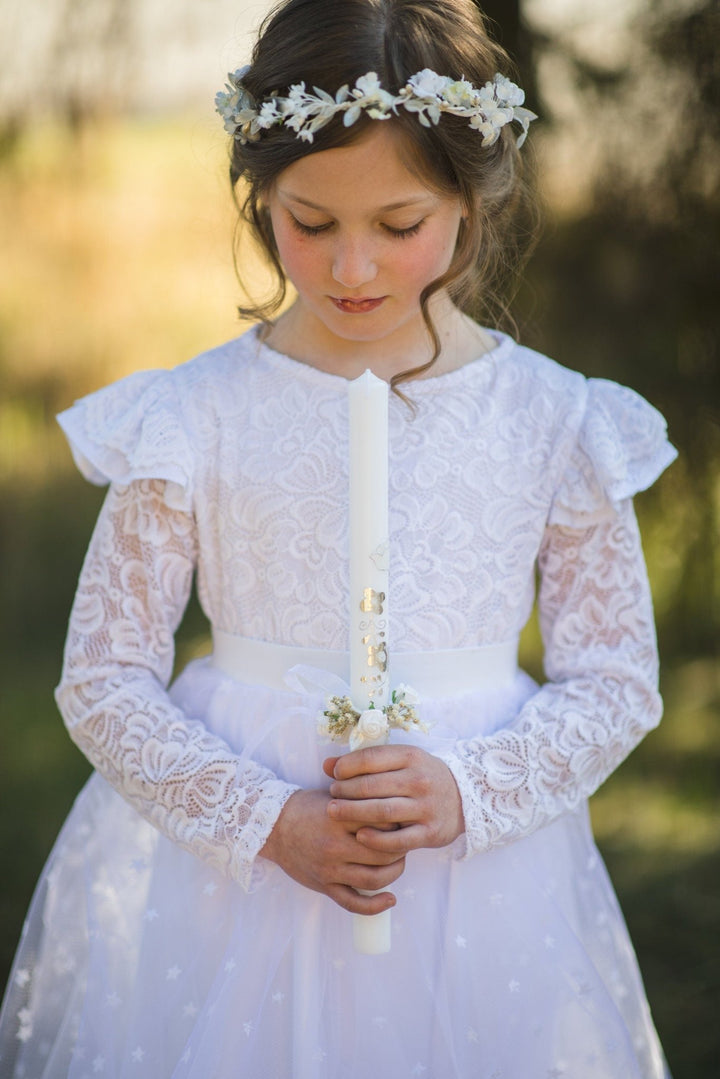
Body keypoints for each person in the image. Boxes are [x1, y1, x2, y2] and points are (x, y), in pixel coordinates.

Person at [0, 1, 676, 1076]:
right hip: (237, 866)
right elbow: (104, 676)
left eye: (398, 225)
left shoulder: (556, 420)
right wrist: (267, 820)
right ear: (258, 196)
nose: (353, 267)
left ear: (471, 200)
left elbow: (617, 677)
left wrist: (468, 788)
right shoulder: (194, 413)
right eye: (310, 223)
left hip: (477, 872)